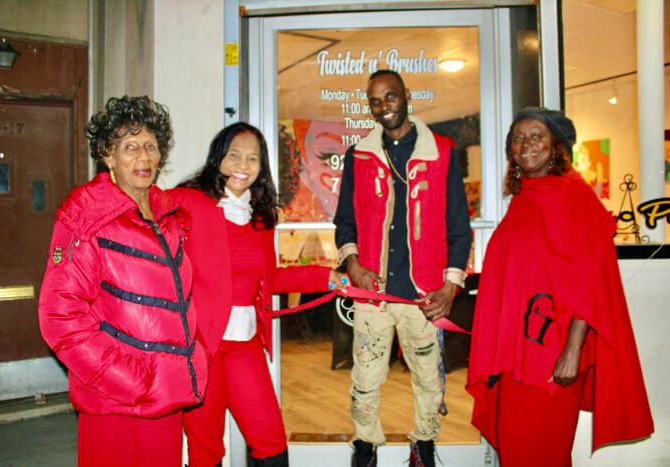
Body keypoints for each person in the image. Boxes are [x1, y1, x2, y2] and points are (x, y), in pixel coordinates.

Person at [467, 107, 654, 466]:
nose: (526, 144)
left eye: (537, 136)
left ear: (556, 146)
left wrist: (573, 349)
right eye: (518, 138)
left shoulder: (574, 196)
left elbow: (594, 278)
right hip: (514, 356)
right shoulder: (524, 200)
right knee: (517, 450)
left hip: (552, 355)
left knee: (542, 453)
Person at [38, 96, 207, 466]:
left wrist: (190, 361)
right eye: (129, 147)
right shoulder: (85, 216)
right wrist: (131, 381)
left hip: (166, 398)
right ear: (107, 155)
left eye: (150, 146)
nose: (143, 158)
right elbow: (59, 318)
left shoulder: (168, 218)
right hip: (116, 404)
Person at [169, 122, 347, 467]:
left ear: (261, 167)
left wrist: (327, 277)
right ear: (218, 158)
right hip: (202, 348)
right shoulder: (187, 203)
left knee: (271, 440)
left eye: (252, 158)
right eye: (234, 155)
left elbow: (271, 278)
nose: (242, 165)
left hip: (246, 347)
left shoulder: (261, 218)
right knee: (205, 449)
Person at [334, 70, 472, 467]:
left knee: (428, 378)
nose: (384, 107)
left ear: (406, 96)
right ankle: (365, 446)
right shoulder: (357, 154)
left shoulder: (442, 151)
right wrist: (354, 263)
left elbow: (459, 229)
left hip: (424, 294)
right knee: (365, 378)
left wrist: (450, 288)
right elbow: (345, 221)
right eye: (375, 101)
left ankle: (424, 445)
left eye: (390, 97)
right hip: (372, 292)